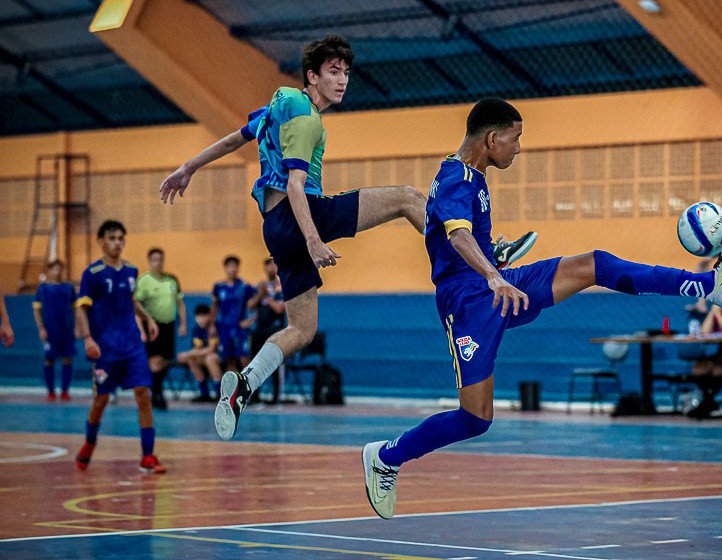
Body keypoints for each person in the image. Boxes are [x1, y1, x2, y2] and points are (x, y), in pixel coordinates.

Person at [361, 98, 722, 519]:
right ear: (492, 139)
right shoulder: (458, 179)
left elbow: (442, 234)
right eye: (515, 139)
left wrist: (492, 257)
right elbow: (456, 236)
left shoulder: (467, 174)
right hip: (471, 302)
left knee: (595, 265)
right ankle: (386, 457)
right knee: (475, 418)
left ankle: (709, 285)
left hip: (495, 284)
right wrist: (491, 274)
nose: (519, 148)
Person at [159, 35, 537, 441]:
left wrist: (188, 168)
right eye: (333, 73)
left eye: (346, 73)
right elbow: (295, 184)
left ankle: (246, 384)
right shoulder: (306, 118)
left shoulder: (280, 103)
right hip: (303, 215)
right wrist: (313, 239)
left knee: (301, 329)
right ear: (312, 76)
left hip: (274, 227)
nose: (342, 81)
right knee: (407, 199)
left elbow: (238, 137)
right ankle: (483, 253)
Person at [74, 220, 166, 473]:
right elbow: (81, 308)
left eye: (120, 238)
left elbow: (130, 300)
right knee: (100, 400)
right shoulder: (92, 274)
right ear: (101, 241)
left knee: (143, 395)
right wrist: (88, 338)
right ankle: (89, 443)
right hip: (105, 348)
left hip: (132, 345)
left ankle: (148, 456)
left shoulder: (131, 271)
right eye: (112, 238)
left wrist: (146, 318)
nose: (117, 243)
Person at [135, 248, 187, 410]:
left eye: (160, 259)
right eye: (154, 260)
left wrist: (183, 323)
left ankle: (156, 389)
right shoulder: (144, 280)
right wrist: (142, 331)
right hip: (152, 325)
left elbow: (180, 303)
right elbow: (136, 307)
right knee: (154, 361)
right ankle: (157, 393)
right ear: (150, 261)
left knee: (165, 360)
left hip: (168, 325)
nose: (158, 263)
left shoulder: (172, 280)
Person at [32, 260, 77, 401]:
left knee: (67, 360)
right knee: (49, 361)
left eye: (60, 268)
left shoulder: (69, 288)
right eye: (54, 269)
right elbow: (36, 310)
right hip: (50, 331)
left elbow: (76, 310)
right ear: (49, 271)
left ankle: (65, 391)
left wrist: (77, 327)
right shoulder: (43, 289)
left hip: (67, 331)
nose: (57, 271)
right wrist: (41, 328)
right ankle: (51, 392)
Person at [247, 258, 286, 403]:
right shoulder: (260, 286)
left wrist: (266, 296)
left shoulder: (282, 286)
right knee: (255, 362)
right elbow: (250, 306)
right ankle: (255, 395)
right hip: (259, 330)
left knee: (274, 363)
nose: (271, 269)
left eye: (273, 266)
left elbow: (280, 308)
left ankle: (276, 396)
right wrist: (259, 294)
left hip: (275, 330)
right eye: (268, 266)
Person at [211, 256, 255, 373]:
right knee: (229, 360)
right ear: (225, 268)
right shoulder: (219, 287)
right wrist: (212, 325)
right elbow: (215, 306)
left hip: (240, 329)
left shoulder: (245, 287)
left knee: (244, 358)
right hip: (224, 328)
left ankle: (250, 387)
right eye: (229, 266)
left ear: (238, 268)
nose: (232, 269)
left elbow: (257, 305)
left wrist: (250, 320)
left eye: (235, 266)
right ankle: (234, 389)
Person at [177, 304, 221, 402]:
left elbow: (211, 349)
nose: (201, 319)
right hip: (205, 358)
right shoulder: (197, 330)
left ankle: (220, 393)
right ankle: (204, 393)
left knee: (210, 358)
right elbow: (197, 350)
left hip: (221, 357)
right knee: (191, 359)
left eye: (203, 316)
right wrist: (187, 355)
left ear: (210, 316)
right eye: (198, 316)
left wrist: (187, 354)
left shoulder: (215, 328)